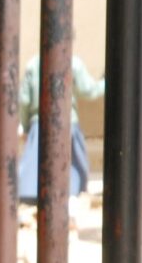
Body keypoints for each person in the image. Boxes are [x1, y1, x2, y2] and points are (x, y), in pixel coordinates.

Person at [15, 54, 103, 207]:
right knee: (69, 164)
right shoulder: (73, 63)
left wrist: (26, 125)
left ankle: (32, 196)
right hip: (67, 122)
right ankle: (68, 194)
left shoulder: (33, 64)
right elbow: (89, 91)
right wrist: (108, 82)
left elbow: (24, 100)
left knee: (35, 164)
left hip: (39, 122)